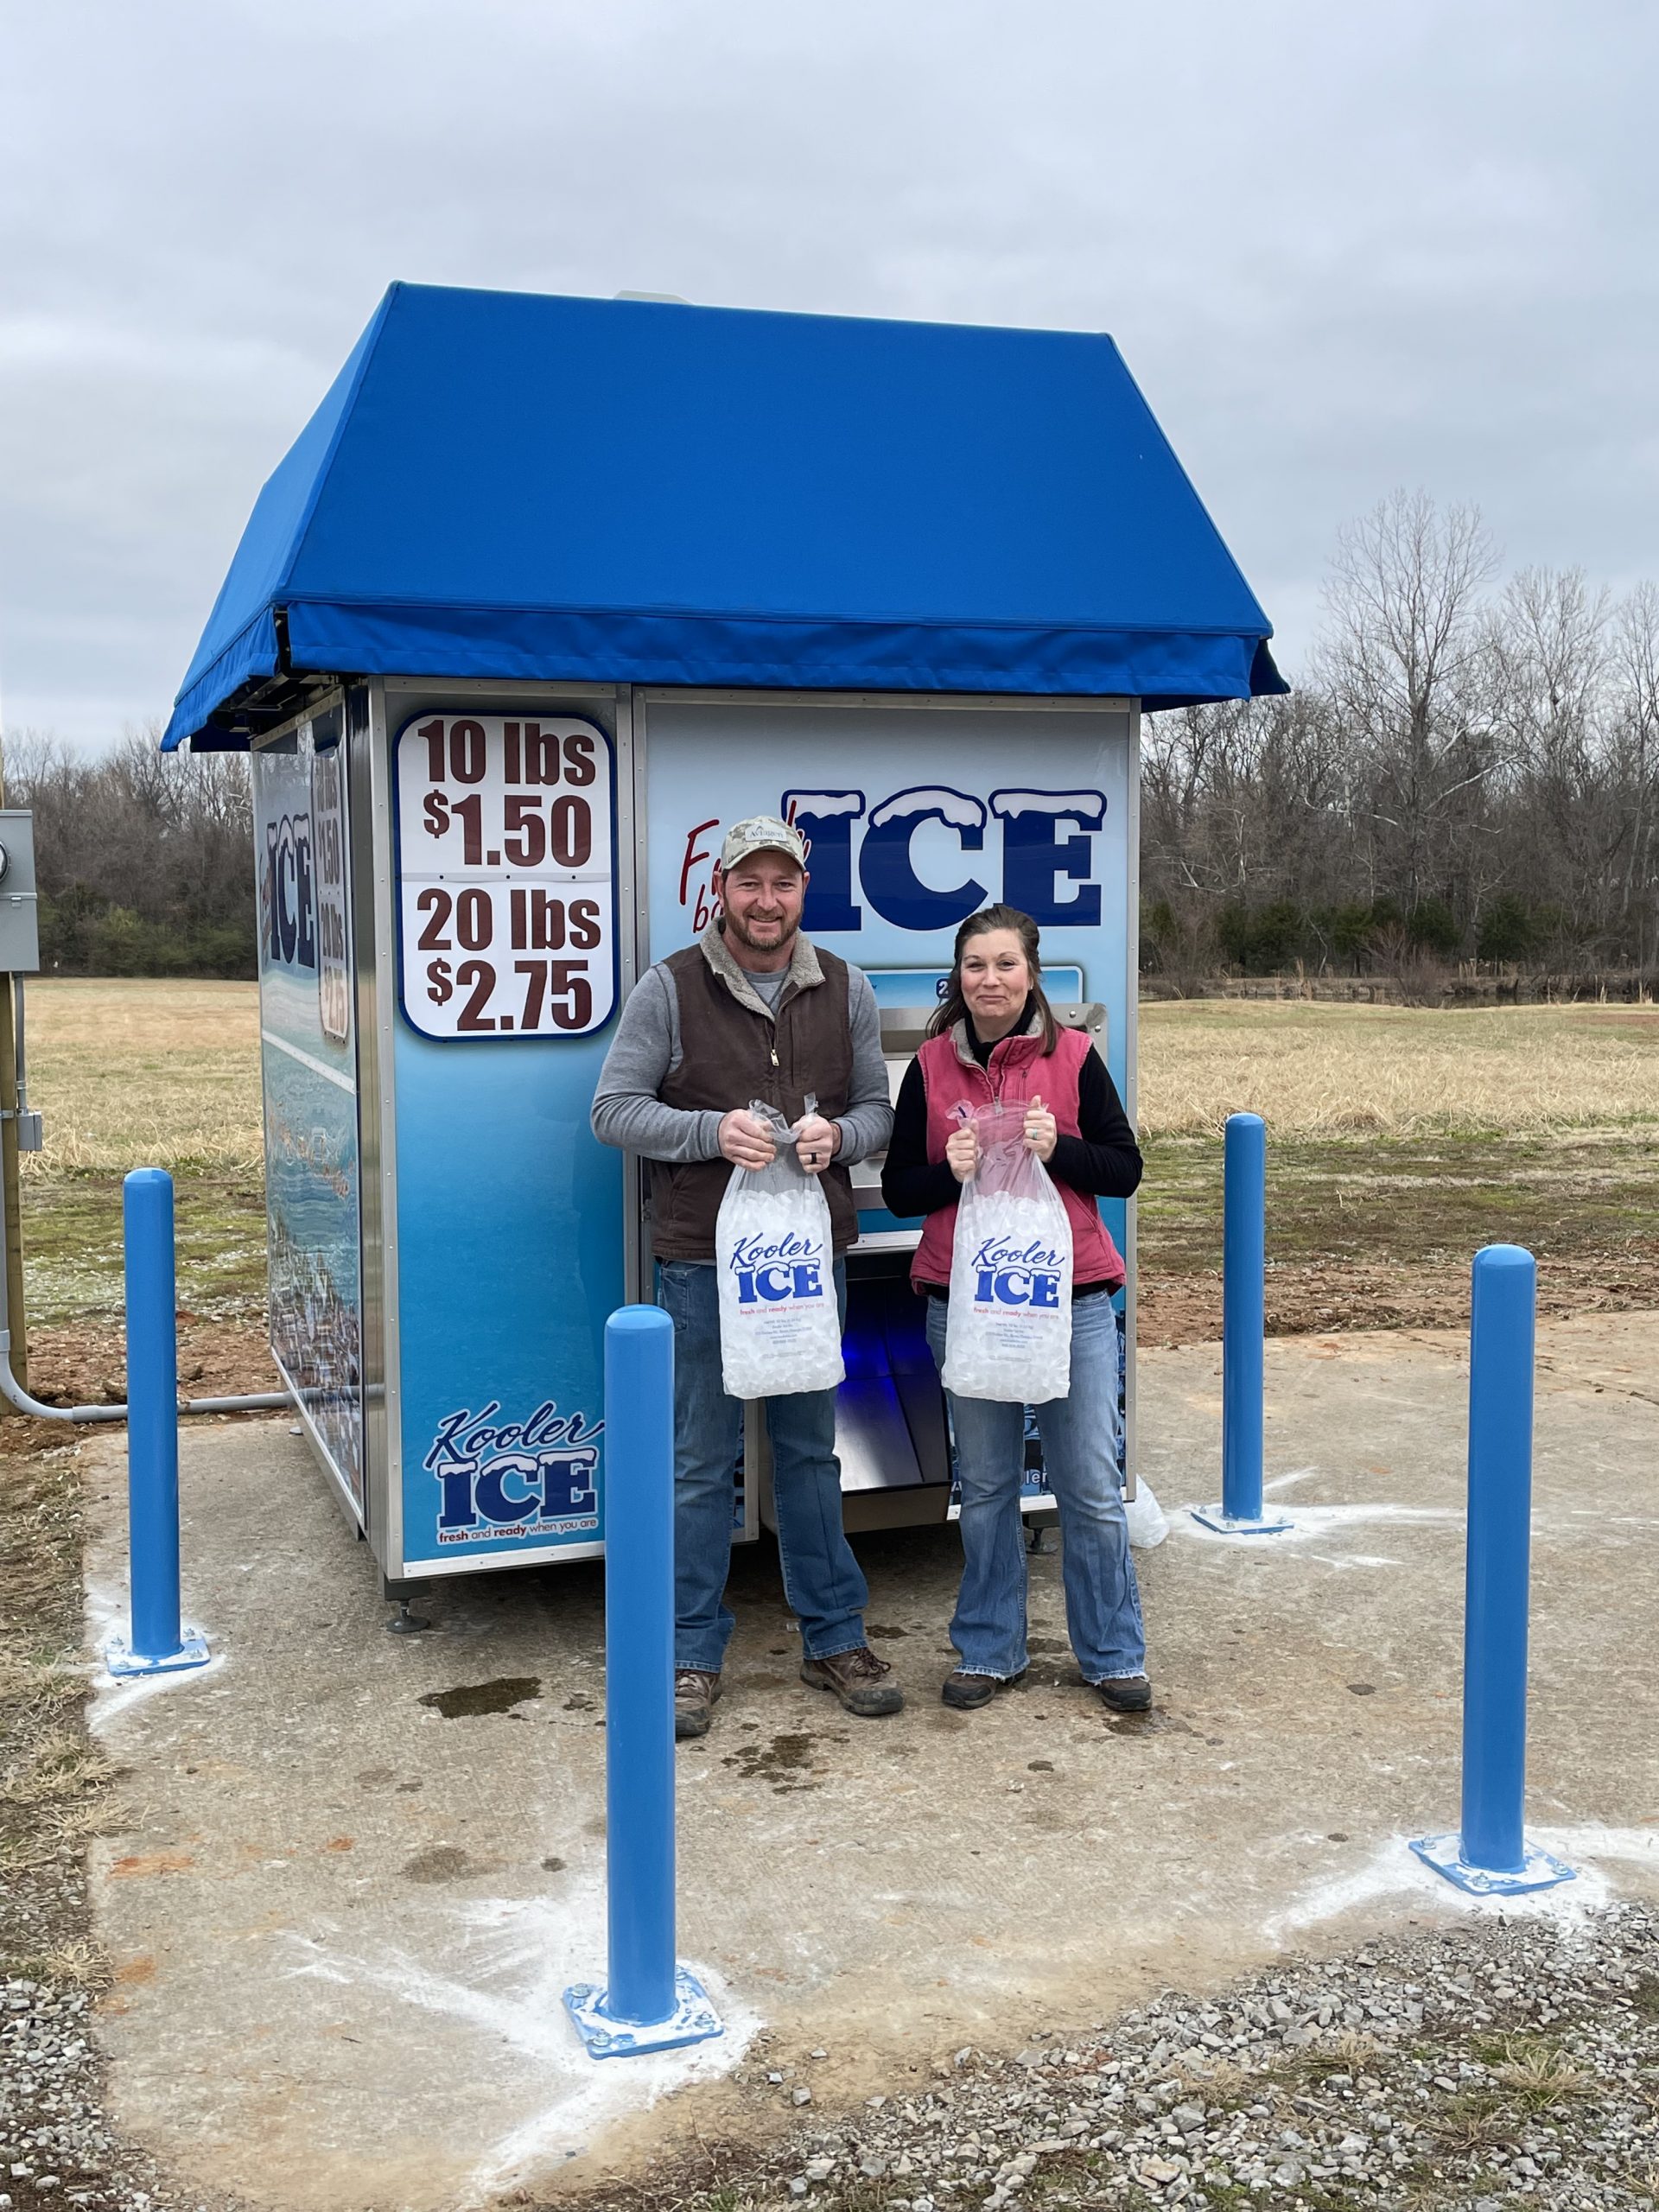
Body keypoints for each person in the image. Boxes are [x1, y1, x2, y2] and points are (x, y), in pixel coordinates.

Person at [592, 814, 900, 1740]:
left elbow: (880, 1114)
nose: (767, 902)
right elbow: (613, 1110)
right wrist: (707, 1133)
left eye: (783, 884)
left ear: (804, 892)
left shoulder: (844, 984)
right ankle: (689, 1652)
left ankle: (833, 1636)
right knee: (699, 1462)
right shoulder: (670, 988)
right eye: (749, 883)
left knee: (810, 1450)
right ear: (720, 891)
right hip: (699, 1262)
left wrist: (837, 1138)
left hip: (808, 1262)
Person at [880, 904, 1148, 1713]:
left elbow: (1124, 1169)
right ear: (956, 979)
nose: (989, 981)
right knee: (989, 1485)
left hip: (1073, 1304)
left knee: (1091, 1486)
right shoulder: (929, 1066)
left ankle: (1112, 1654)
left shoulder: (1074, 1057)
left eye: (1004, 965)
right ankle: (990, 1650)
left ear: (1031, 972)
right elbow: (899, 1192)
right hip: (970, 1306)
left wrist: (1056, 1149)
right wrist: (947, 1169)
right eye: (974, 967)